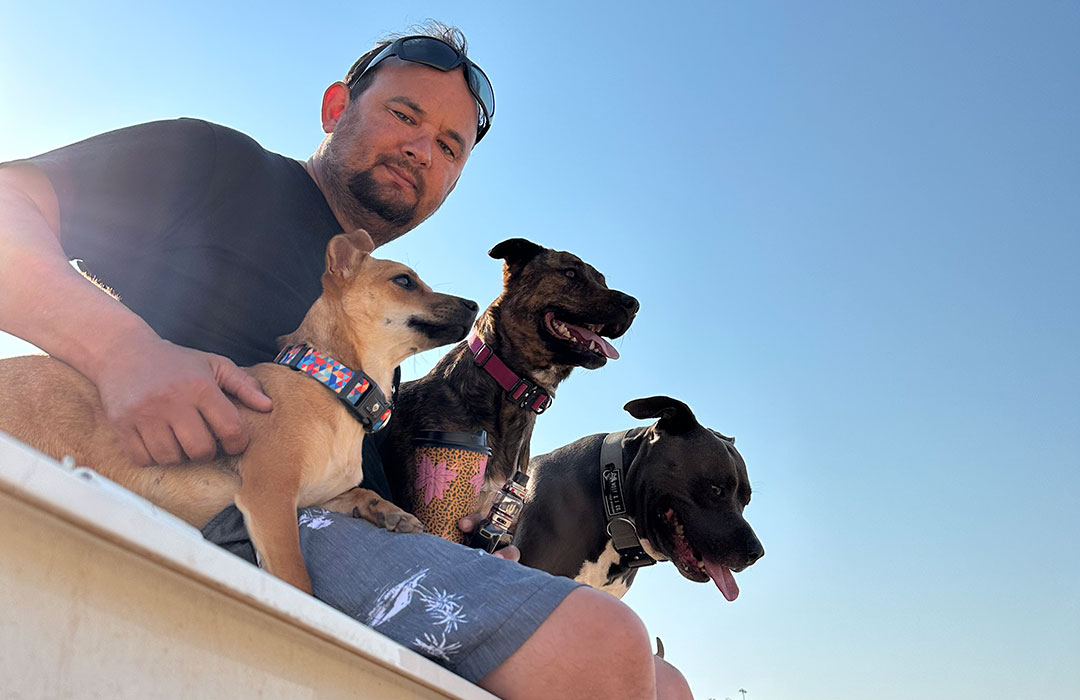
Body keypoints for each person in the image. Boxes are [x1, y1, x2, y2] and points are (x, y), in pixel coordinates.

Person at [0, 23, 693, 699]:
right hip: (222, 498)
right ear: (338, 107)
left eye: (450, 147)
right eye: (404, 114)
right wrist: (122, 351)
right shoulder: (216, 164)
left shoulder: (384, 329)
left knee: (666, 683)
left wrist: (467, 555)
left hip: (351, 520)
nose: (423, 149)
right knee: (602, 645)